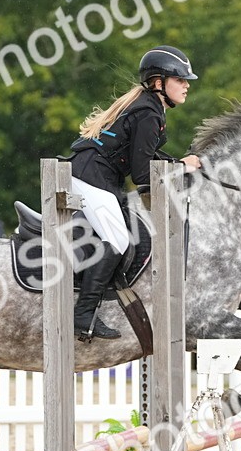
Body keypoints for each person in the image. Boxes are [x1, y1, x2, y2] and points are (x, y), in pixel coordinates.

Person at [65, 45, 202, 340]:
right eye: (180, 80)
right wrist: (181, 167)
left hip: (94, 175)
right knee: (117, 238)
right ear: (158, 82)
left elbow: (149, 157)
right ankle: (83, 314)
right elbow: (143, 175)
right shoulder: (149, 113)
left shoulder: (148, 106)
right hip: (89, 176)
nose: (186, 85)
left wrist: (177, 163)